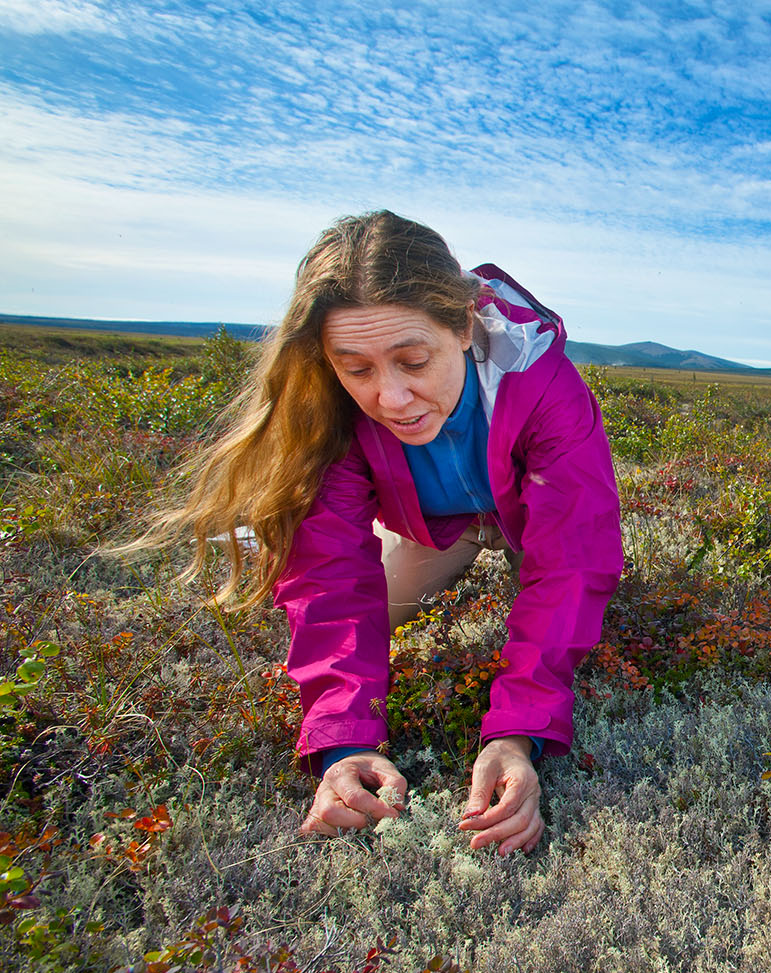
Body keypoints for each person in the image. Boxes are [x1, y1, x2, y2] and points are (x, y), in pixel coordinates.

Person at [131, 210, 623, 854]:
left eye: (413, 361)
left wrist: (517, 733)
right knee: (370, 614)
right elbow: (331, 576)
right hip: (437, 527)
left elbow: (570, 559)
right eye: (357, 368)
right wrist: (343, 745)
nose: (390, 397)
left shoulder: (544, 383)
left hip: (532, 515)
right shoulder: (331, 407)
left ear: (465, 325)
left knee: (564, 599)